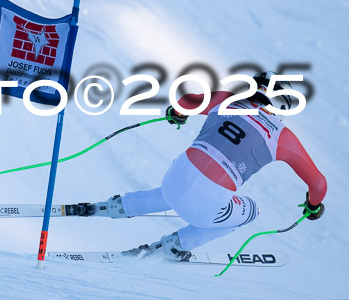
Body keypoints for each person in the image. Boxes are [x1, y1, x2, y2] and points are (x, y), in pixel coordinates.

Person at [67, 71, 327, 261]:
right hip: (205, 207)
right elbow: (318, 183)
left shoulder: (227, 99)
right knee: (253, 211)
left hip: (174, 178)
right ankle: (177, 245)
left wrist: (178, 113)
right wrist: (313, 206)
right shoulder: (282, 136)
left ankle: (118, 205)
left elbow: (186, 101)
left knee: (179, 188)